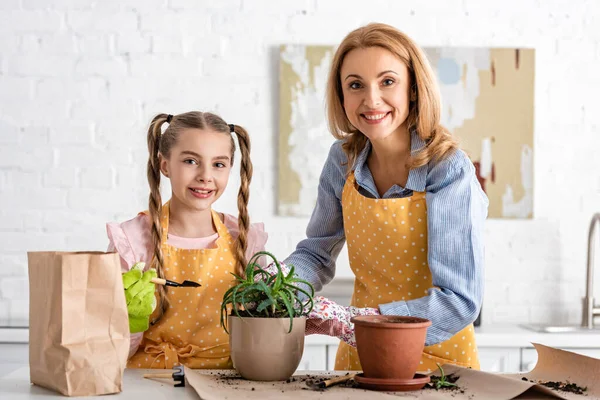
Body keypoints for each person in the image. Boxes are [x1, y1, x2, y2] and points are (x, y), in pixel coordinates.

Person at [285, 23, 489, 373]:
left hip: (437, 364)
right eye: (355, 85)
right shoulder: (342, 161)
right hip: (359, 358)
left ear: (412, 88)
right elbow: (316, 253)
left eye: (387, 81)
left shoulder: (447, 168)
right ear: (342, 96)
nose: (371, 99)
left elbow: (460, 301)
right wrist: (278, 283)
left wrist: (359, 322)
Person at [107, 112, 267, 369]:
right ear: (165, 164)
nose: (205, 176)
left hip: (225, 388)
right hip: (147, 384)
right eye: (191, 161)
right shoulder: (132, 240)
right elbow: (104, 353)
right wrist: (128, 320)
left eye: (218, 164)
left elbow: (261, 337)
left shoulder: (245, 240)